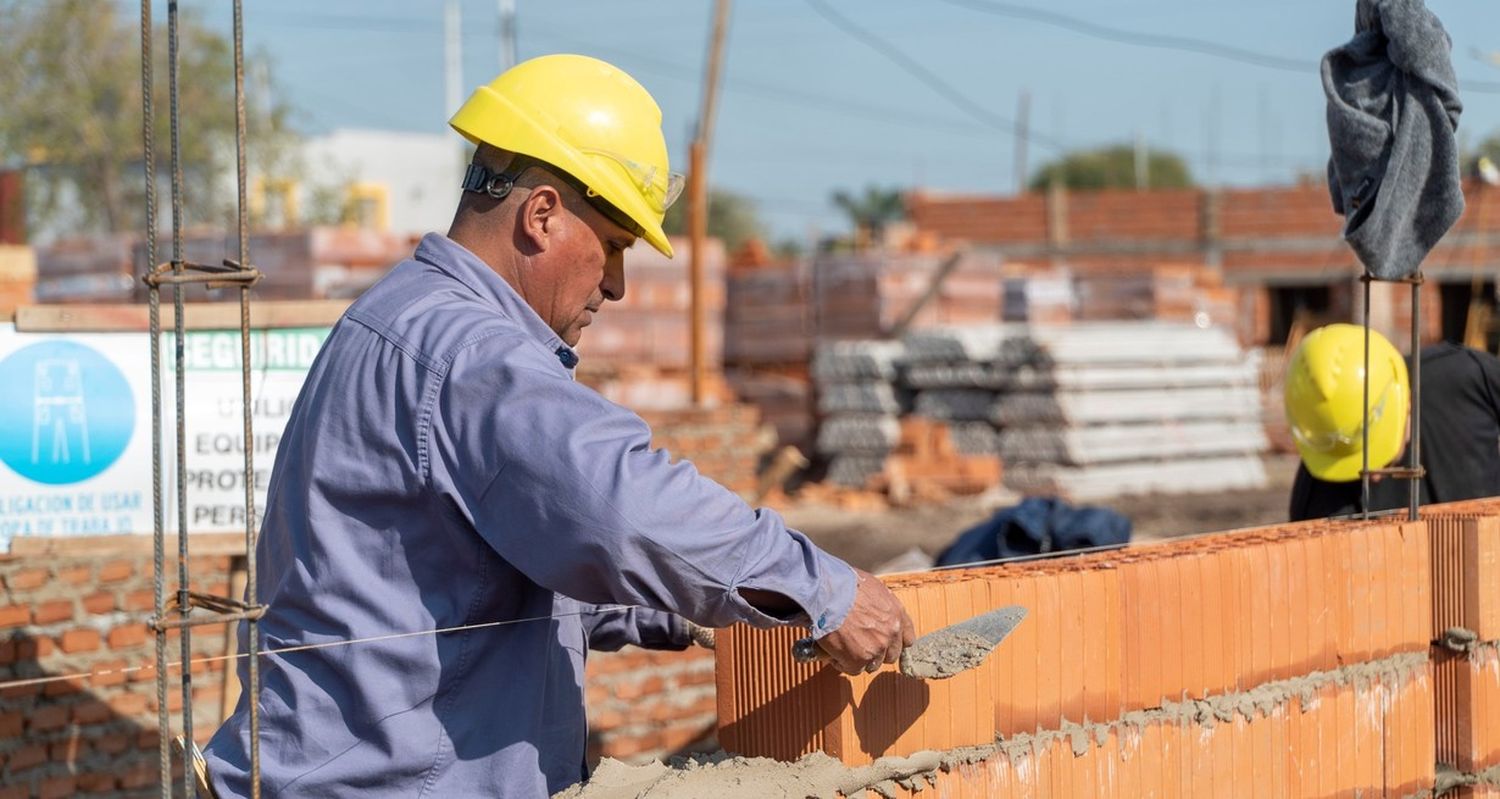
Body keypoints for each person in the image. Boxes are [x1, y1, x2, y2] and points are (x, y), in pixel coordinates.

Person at [204, 54, 914, 798]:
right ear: (541, 216)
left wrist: (684, 605)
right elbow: (621, 505)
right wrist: (820, 587)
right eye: (612, 244)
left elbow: (475, 568)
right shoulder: (472, 353)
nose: (617, 282)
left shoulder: (398, 316)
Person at [1286, 323, 1500, 521]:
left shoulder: (1467, 379)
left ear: (1405, 402)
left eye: (1384, 459)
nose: (1376, 476)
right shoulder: (1318, 503)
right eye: (1352, 473)